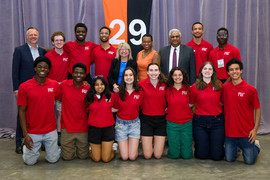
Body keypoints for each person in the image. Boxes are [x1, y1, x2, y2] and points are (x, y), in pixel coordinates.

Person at [17, 56, 61, 165]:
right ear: (35, 68)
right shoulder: (24, 87)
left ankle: (55, 150)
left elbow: (65, 95)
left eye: (45, 67)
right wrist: (25, 135)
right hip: (33, 131)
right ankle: (27, 151)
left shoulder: (54, 84)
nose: (43, 69)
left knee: (53, 160)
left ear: (48, 70)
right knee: (29, 162)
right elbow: (21, 112)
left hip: (50, 130)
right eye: (40, 67)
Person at [12, 27, 47, 154]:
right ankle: (19, 142)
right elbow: (15, 72)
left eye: (35, 35)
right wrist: (16, 89)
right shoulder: (19, 50)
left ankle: (42, 141)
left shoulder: (42, 51)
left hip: (39, 88)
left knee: (39, 113)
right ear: (26, 36)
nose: (33, 37)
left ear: (38, 37)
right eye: (31, 35)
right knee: (22, 114)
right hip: (24, 89)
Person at [222, 58, 261, 165]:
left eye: (236, 69)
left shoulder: (250, 89)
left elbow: (257, 109)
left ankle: (256, 146)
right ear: (228, 72)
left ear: (241, 70)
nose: (234, 72)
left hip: (246, 133)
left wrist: (255, 129)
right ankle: (238, 147)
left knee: (249, 161)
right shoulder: (225, 88)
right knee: (229, 159)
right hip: (230, 133)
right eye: (231, 70)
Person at [190, 62, 225, 160]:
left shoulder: (219, 85)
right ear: (201, 71)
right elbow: (191, 103)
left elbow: (223, 102)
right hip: (199, 122)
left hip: (217, 122)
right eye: (205, 69)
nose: (207, 71)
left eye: (210, 69)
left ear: (213, 71)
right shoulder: (194, 86)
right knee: (201, 156)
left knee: (217, 157)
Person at [56, 63, 90, 160]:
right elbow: (58, 97)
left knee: (83, 157)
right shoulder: (64, 85)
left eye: (81, 73)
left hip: (83, 128)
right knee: (67, 158)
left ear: (85, 75)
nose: (78, 75)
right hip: (67, 127)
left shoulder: (88, 88)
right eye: (76, 72)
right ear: (72, 73)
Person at [139, 63, 167, 159]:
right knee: (147, 156)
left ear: (159, 72)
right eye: (151, 70)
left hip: (161, 120)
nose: (153, 73)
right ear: (147, 72)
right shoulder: (141, 84)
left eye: (156, 70)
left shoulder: (165, 84)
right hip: (146, 120)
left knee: (158, 155)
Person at [113, 67, 142, 161]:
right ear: (123, 78)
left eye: (130, 75)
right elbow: (115, 108)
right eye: (126, 75)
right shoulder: (118, 92)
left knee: (132, 157)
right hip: (121, 125)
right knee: (125, 157)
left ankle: (132, 146)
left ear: (134, 77)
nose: (128, 77)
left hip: (135, 124)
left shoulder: (140, 92)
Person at [45, 31, 69, 144]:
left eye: (61, 40)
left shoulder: (68, 55)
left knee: (60, 113)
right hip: (49, 88)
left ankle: (59, 134)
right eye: (56, 40)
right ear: (52, 42)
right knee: (48, 112)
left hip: (62, 88)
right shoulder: (48, 56)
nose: (59, 42)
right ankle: (47, 136)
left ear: (64, 42)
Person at [85, 76, 115, 162]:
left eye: (102, 84)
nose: (99, 86)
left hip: (108, 129)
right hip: (94, 130)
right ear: (93, 86)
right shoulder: (89, 98)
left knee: (105, 159)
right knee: (97, 159)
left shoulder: (111, 96)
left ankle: (112, 150)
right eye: (97, 84)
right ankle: (97, 151)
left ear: (105, 85)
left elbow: (116, 107)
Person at [166, 67, 193, 159]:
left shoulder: (189, 89)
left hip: (186, 123)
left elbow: (192, 103)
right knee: (174, 155)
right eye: (175, 75)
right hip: (172, 123)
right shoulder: (167, 90)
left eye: (180, 75)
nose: (177, 77)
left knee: (187, 156)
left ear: (183, 76)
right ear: (172, 77)